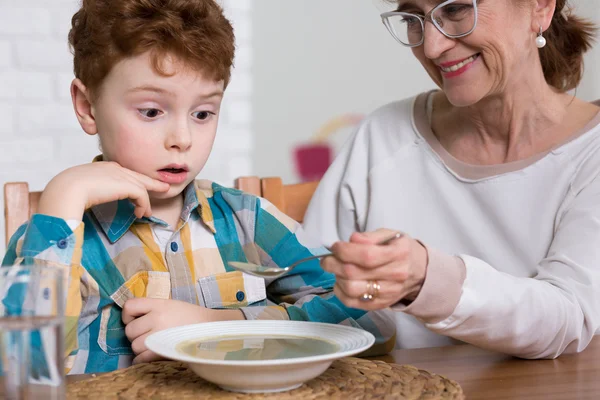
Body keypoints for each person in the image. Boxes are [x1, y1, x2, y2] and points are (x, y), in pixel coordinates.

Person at [1, 0, 395, 374]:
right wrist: (62, 196)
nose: (182, 138)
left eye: (203, 113)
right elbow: (19, 367)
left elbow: (373, 318)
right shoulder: (58, 235)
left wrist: (218, 325)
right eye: (151, 111)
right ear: (87, 107)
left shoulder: (247, 220)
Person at [303, 0, 600, 359]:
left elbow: (569, 320)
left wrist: (427, 278)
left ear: (539, 8)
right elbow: (309, 289)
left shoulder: (591, 153)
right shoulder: (383, 136)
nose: (431, 46)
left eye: (457, 9)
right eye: (413, 18)